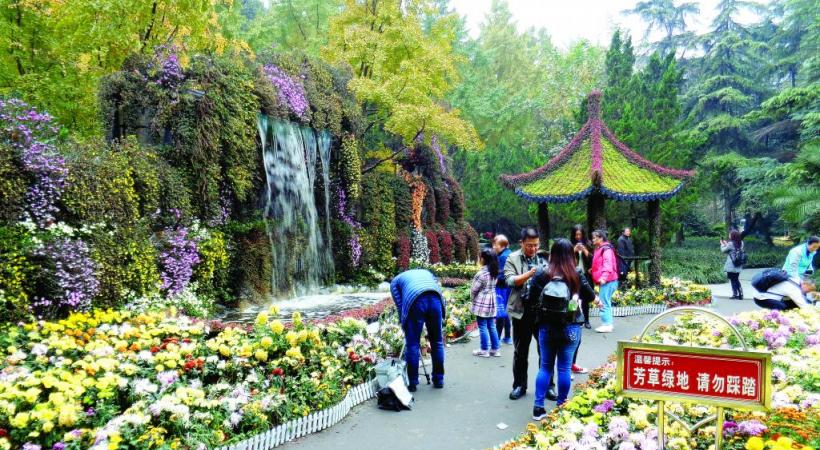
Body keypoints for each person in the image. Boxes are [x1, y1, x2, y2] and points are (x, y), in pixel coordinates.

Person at [532, 239, 598, 420]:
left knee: (545, 367)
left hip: (546, 327)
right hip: (570, 327)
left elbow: (530, 298)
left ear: (552, 254)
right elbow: (591, 296)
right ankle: (561, 405)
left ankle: (538, 408)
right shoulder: (576, 273)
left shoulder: (542, 273)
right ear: (571, 254)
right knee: (564, 368)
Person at [505, 227, 553, 401]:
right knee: (520, 351)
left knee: (546, 351)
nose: (532, 249)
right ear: (521, 243)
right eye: (529, 245)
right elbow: (510, 280)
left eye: (535, 245)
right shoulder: (512, 258)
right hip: (521, 311)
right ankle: (519, 385)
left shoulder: (544, 257)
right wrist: (531, 273)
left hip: (543, 312)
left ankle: (548, 386)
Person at [390, 269, 446, 392]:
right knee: (437, 342)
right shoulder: (426, 273)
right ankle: (439, 379)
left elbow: (400, 306)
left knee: (413, 344)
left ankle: (412, 382)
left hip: (415, 301)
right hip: (435, 299)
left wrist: (404, 323)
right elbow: (438, 289)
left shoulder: (394, 283)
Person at [471, 248, 501, 357]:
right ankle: (495, 349)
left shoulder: (481, 274)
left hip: (482, 302)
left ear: (483, 259)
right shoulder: (495, 272)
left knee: (482, 326)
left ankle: (484, 350)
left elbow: (474, 289)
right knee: (491, 325)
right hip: (492, 301)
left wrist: (473, 300)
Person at [591, 229, 619, 333]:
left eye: (595, 237)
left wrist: (603, 277)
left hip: (608, 280)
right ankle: (608, 323)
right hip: (609, 280)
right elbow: (599, 264)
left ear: (601, 238)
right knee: (605, 301)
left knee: (603, 302)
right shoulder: (600, 249)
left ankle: (607, 324)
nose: (593, 240)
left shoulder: (606, 249)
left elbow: (608, 264)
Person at [569, 224, 593, 329]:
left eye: (580, 234)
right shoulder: (569, 245)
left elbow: (593, 259)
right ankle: (571, 319)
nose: (578, 237)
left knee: (585, 298)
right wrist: (574, 250)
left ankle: (586, 320)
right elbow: (566, 258)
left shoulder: (588, 244)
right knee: (572, 298)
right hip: (573, 275)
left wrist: (584, 250)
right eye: (576, 235)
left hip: (585, 275)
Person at [493, 235, 513, 345]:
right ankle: (507, 337)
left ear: (502, 246)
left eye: (495, 245)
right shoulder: (509, 253)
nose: (494, 247)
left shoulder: (502, 257)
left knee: (501, 312)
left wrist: (493, 279)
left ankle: (497, 339)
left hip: (502, 288)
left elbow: (501, 274)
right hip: (509, 287)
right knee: (506, 312)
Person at [720, 230, 745, 299]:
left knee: (733, 279)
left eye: (730, 234)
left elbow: (724, 250)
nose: (729, 235)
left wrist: (722, 244)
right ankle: (740, 294)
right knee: (736, 279)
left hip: (731, 265)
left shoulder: (731, 244)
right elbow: (732, 250)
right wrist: (726, 244)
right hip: (738, 263)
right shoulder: (741, 243)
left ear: (733, 236)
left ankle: (735, 294)